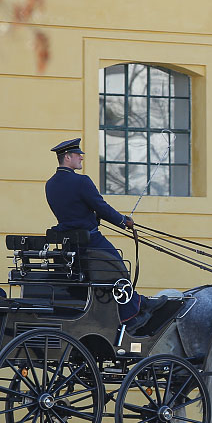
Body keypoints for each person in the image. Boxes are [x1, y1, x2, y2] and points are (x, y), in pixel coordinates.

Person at [45, 138, 162, 330]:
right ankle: (130, 315)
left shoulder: (50, 185)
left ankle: (133, 304)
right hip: (90, 241)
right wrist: (123, 221)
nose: (81, 158)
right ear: (67, 157)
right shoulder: (81, 181)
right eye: (78, 155)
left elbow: (76, 209)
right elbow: (100, 206)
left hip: (69, 245)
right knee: (119, 270)